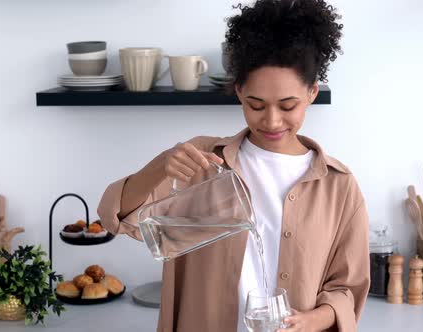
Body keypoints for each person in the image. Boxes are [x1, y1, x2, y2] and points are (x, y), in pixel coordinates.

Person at [97, 0, 370, 331]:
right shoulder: (202, 160)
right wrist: (160, 165)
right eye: (256, 105)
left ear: (312, 92)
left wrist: (315, 319)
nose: (271, 120)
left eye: (288, 106)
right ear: (239, 91)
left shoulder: (338, 186)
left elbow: (346, 288)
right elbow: (118, 218)